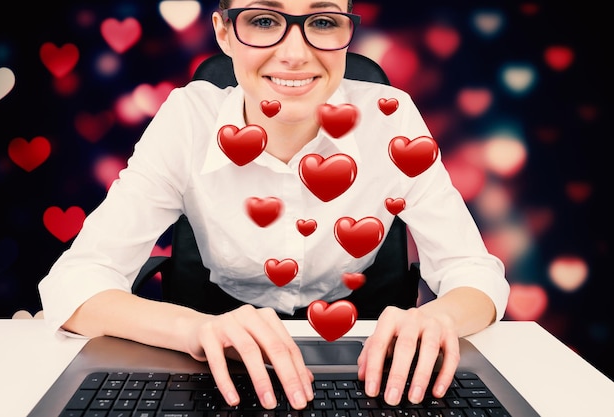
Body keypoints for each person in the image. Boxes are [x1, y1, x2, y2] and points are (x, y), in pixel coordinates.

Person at [39, 0, 510, 411]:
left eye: (323, 22)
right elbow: (74, 282)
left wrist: (438, 318)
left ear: (348, 32)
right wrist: (193, 330)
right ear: (223, 32)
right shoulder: (187, 117)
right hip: (216, 366)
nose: (295, 53)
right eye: (263, 20)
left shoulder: (392, 118)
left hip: (365, 365)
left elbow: (473, 269)